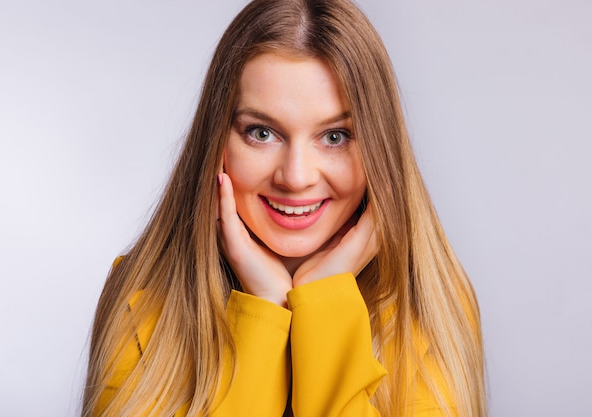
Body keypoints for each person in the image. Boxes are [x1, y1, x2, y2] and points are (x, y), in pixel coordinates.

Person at [82, 0, 486, 416]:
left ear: (380, 149)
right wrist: (263, 315)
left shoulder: (432, 304)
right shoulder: (145, 302)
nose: (295, 177)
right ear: (216, 142)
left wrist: (324, 302)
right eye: (262, 132)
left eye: (335, 136)